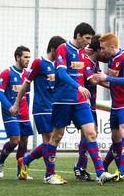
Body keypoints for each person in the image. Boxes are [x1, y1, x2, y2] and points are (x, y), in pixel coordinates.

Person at [40, 22, 115, 185]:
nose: (88, 42)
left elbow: (89, 75)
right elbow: (60, 72)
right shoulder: (62, 48)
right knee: (57, 136)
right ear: (78, 35)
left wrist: (109, 80)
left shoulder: (83, 54)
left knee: (91, 133)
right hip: (63, 100)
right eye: (87, 38)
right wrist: (79, 86)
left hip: (80, 101)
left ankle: (101, 172)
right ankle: (49, 175)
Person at [10, 36, 66, 180]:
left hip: (57, 107)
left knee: (56, 139)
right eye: (61, 50)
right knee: (48, 141)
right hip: (42, 108)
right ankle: (50, 174)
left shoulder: (59, 65)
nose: (63, 54)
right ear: (53, 49)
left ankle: (25, 160)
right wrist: (16, 104)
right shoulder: (38, 63)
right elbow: (26, 84)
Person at [73, 35, 109, 181]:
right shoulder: (86, 61)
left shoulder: (94, 63)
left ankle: (81, 167)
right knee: (56, 136)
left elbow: (98, 77)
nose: (105, 53)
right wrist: (117, 83)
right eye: (103, 49)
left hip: (89, 105)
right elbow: (94, 80)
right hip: (80, 104)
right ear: (97, 50)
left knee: (91, 135)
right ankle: (81, 167)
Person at [0, 46, 34, 179]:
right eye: (25, 57)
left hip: (23, 113)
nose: (28, 59)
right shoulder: (7, 73)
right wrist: (10, 107)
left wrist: (26, 111)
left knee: (23, 142)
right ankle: (0, 160)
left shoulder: (28, 75)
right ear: (18, 57)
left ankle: (20, 173)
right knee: (15, 140)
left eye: (29, 57)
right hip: (9, 112)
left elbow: (26, 95)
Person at [94, 32, 124, 181]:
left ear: (112, 47)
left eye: (103, 48)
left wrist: (106, 77)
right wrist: (99, 80)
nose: (101, 51)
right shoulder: (111, 59)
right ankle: (107, 165)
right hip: (115, 105)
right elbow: (113, 83)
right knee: (115, 138)